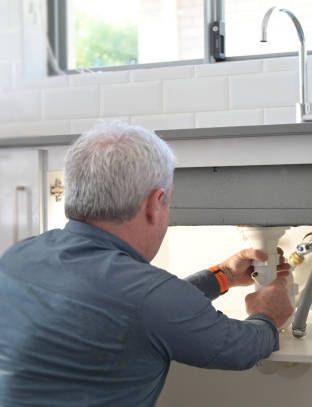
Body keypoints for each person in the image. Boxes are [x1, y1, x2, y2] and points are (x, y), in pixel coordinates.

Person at [0, 122, 294, 406]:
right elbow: (238, 348)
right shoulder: (150, 297)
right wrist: (268, 315)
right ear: (156, 202)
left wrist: (223, 276)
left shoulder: (18, 256)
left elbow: (137, 309)